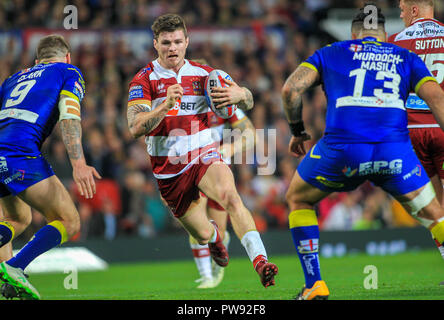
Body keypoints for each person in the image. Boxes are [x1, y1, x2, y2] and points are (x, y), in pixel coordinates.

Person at [281, 5, 444, 300]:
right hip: (394, 152)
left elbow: (290, 90)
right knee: (435, 215)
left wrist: (297, 132)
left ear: (354, 33)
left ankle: (315, 284)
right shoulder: (405, 56)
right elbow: (437, 99)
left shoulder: (332, 51)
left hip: (342, 151)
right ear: (383, 34)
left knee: (298, 198)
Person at [126, 13, 278, 288]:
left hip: (203, 152)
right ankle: (216, 238)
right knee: (202, 232)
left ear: (187, 42)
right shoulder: (143, 80)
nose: (172, 47)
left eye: (177, 41)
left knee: (231, 197)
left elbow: (250, 101)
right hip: (168, 169)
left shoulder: (205, 75)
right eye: (166, 42)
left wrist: (241, 94)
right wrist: (163, 105)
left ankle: (261, 261)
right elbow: (135, 127)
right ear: (155, 44)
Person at [0, 34, 101, 299]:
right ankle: (15, 267)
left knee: (16, 219)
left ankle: (10, 281)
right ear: (67, 56)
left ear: (37, 61)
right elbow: (69, 115)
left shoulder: (11, 80)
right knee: (69, 220)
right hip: (20, 153)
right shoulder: (68, 71)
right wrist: (79, 163)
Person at [190, 81, 256, 288]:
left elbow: (250, 134)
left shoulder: (221, 102)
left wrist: (232, 148)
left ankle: (219, 249)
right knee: (197, 221)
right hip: (191, 167)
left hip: (218, 169)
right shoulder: (182, 106)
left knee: (218, 228)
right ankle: (206, 276)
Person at [388, 0, 444, 204]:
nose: (401, 16)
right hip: (441, 125)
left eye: (402, 10)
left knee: (435, 206)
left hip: (412, 133)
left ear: (414, 9)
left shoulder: (394, 42)